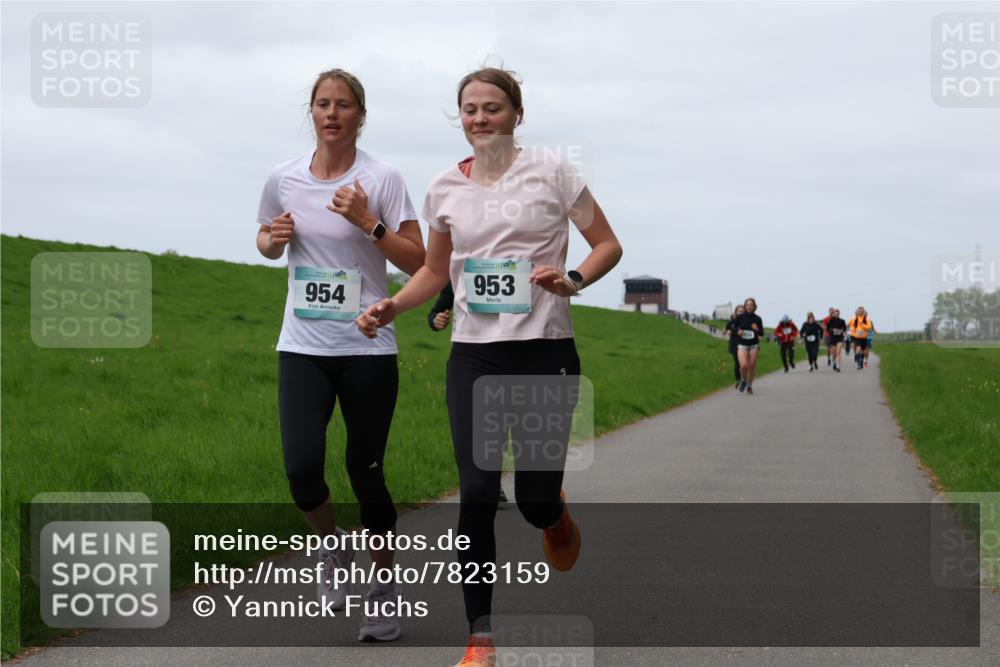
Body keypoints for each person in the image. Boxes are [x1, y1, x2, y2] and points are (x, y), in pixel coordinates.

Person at [357, 66, 623, 667]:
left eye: (493, 108)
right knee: (476, 493)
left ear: (517, 115)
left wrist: (573, 278)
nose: (480, 118)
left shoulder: (554, 172)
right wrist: (392, 305)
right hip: (474, 356)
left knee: (532, 499)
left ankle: (554, 516)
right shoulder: (443, 188)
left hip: (545, 351)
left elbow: (607, 244)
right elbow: (435, 269)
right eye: (470, 109)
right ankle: (479, 638)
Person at [256, 68, 426, 642]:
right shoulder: (283, 177)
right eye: (323, 104)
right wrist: (272, 240)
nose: (332, 113)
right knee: (301, 468)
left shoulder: (383, 178)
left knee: (365, 471)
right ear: (311, 112)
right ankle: (331, 550)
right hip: (302, 347)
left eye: (344, 104)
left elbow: (419, 259)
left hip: (367, 348)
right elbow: (264, 239)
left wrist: (366, 221)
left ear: (361, 115)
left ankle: (383, 590)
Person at [428, 282, 509, 505]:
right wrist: (436, 320)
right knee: (481, 429)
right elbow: (436, 310)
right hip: (472, 360)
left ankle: (538, 487)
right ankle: (488, 485)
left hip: (517, 357)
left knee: (501, 428)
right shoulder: (460, 276)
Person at [734, 297, 764, 394]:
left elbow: (761, 333)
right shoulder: (740, 317)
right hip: (742, 344)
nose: (749, 306)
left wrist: (757, 329)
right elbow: (733, 326)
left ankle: (749, 386)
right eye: (747, 304)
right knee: (743, 365)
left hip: (753, 345)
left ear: (754, 306)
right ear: (745, 306)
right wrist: (738, 331)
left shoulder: (758, 319)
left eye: (751, 305)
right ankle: (743, 380)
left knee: (751, 367)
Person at [723, 305, 745, 388]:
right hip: (734, 344)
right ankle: (738, 380)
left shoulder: (747, 321)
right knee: (737, 363)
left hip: (744, 344)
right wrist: (727, 331)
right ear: (736, 312)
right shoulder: (731, 322)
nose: (740, 312)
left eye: (742, 311)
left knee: (744, 364)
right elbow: (726, 329)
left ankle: (744, 379)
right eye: (739, 311)